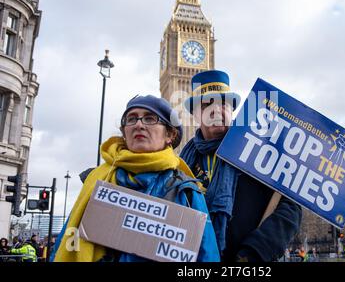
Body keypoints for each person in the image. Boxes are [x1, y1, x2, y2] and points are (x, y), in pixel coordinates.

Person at [52, 95, 220, 262]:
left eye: (150, 118)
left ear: (169, 135)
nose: (139, 124)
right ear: (124, 133)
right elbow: (65, 242)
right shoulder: (96, 181)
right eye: (131, 119)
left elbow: (207, 256)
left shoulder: (187, 192)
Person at [181, 70, 302, 262]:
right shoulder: (181, 162)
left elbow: (290, 208)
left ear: (232, 110)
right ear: (196, 115)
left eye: (223, 103)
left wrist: (254, 253)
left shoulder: (259, 150)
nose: (216, 110)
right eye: (206, 104)